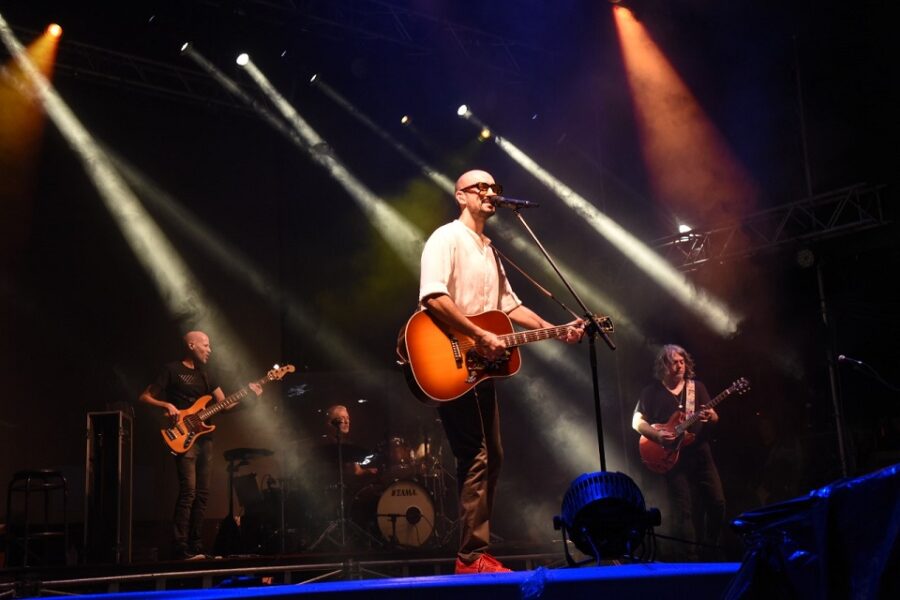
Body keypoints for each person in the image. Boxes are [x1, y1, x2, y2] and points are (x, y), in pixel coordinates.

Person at [418, 169, 584, 574]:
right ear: (461, 196)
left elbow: (509, 306)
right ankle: (471, 558)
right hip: (446, 357)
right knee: (475, 455)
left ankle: (476, 553)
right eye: (482, 187)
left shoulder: (491, 250)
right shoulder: (446, 238)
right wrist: (477, 334)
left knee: (493, 455)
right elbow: (433, 296)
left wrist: (556, 330)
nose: (492, 192)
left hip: (478, 369)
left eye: (496, 187)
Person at [139, 331, 262, 560]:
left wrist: (250, 397)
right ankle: (180, 547)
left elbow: (224, 405)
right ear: (191, 345)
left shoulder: (207, 375)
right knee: (189, 492)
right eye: (206, 345)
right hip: (182, 437)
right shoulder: (172, 370)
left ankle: (196, 546)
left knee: (203, 494)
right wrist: (166, 404)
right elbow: (145, 397)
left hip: (204, 439)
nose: (210, 350)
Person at [632, 344, 726, 561]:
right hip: (672, 457)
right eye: (674, 362)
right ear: (663, 366)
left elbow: (715, 417)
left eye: (682, 361)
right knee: (683, 509)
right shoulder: (651, 392)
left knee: (717, 502)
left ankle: (711, 550)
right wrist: (657, 436)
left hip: (699, 452)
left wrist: (710, 417)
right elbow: (636, 421)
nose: (679, 365)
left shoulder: (697, 387)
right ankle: (689, 560)